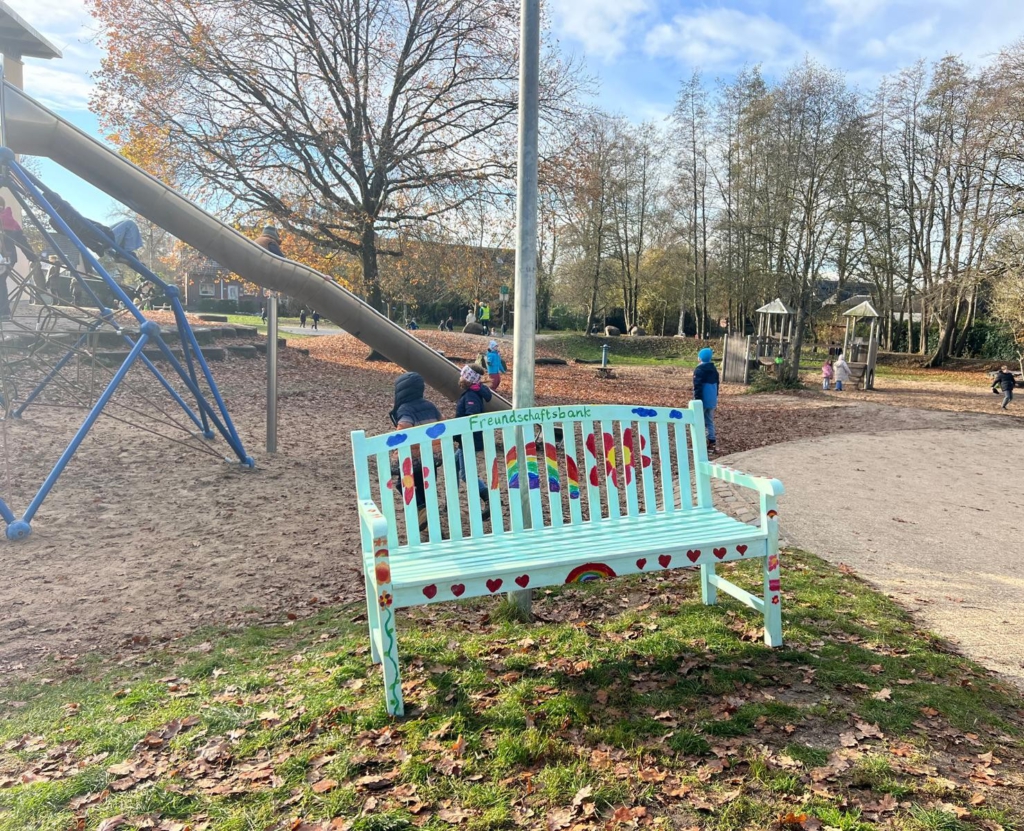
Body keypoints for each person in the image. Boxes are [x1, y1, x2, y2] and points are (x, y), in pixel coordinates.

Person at [389, 372, 442, 532]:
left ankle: (421, 509)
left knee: (402, 484)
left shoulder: (405, 409)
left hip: (413, 459)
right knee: (426, 487)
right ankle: (431, 521)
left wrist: (395, 453)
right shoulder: (430, 406)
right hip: (431, 457)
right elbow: (442, 424)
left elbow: (404, 429)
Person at [454, 364, 492, 519]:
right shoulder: (472, 393)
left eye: (463, 375)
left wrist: (461, 432)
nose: (460, 378)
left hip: (468, 440)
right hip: (465, 440)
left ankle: (489, 498)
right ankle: (450, 502)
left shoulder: (471, 396)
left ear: (468, 379)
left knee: (466, 475)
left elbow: (472, 417)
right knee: (454, 463)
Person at [693, 347, 720, 452]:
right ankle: (711, 440)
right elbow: (717, 384)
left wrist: (697, 399)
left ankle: (700, 442)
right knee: (709, 420)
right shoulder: (714, 370)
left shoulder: (699, 370)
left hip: (702, 399)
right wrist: (715, 396)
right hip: (712, 399)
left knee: (699, 420)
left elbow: (697, 386)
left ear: (700, 358)